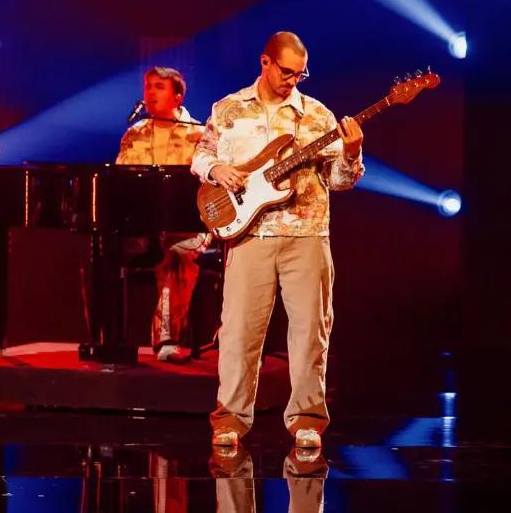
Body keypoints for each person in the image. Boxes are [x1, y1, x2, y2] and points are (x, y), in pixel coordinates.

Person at [191, 31, 364, 450]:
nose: (292, 81)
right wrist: (217, 171)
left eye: (300, 74)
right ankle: (230, 418)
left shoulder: (317, 116)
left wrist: (352, 154)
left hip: (306, 234)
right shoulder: (228, 109)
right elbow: (199, 154)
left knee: (310, 332)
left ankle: (307, 418)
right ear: (265, 62)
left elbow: (339, 182)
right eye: (286, 71)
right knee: (238, 333)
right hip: (249, 235)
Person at [115, 66, 210, 361]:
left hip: (188, 231)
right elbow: (121, 182)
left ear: (177, 96)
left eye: (159, 87)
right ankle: (108, 339)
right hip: (144, 230)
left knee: (173, 256)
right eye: (148, 86)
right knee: (100, 253)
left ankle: (167, 340)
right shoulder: (134, 134)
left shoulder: (198, 134)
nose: (151, 92)